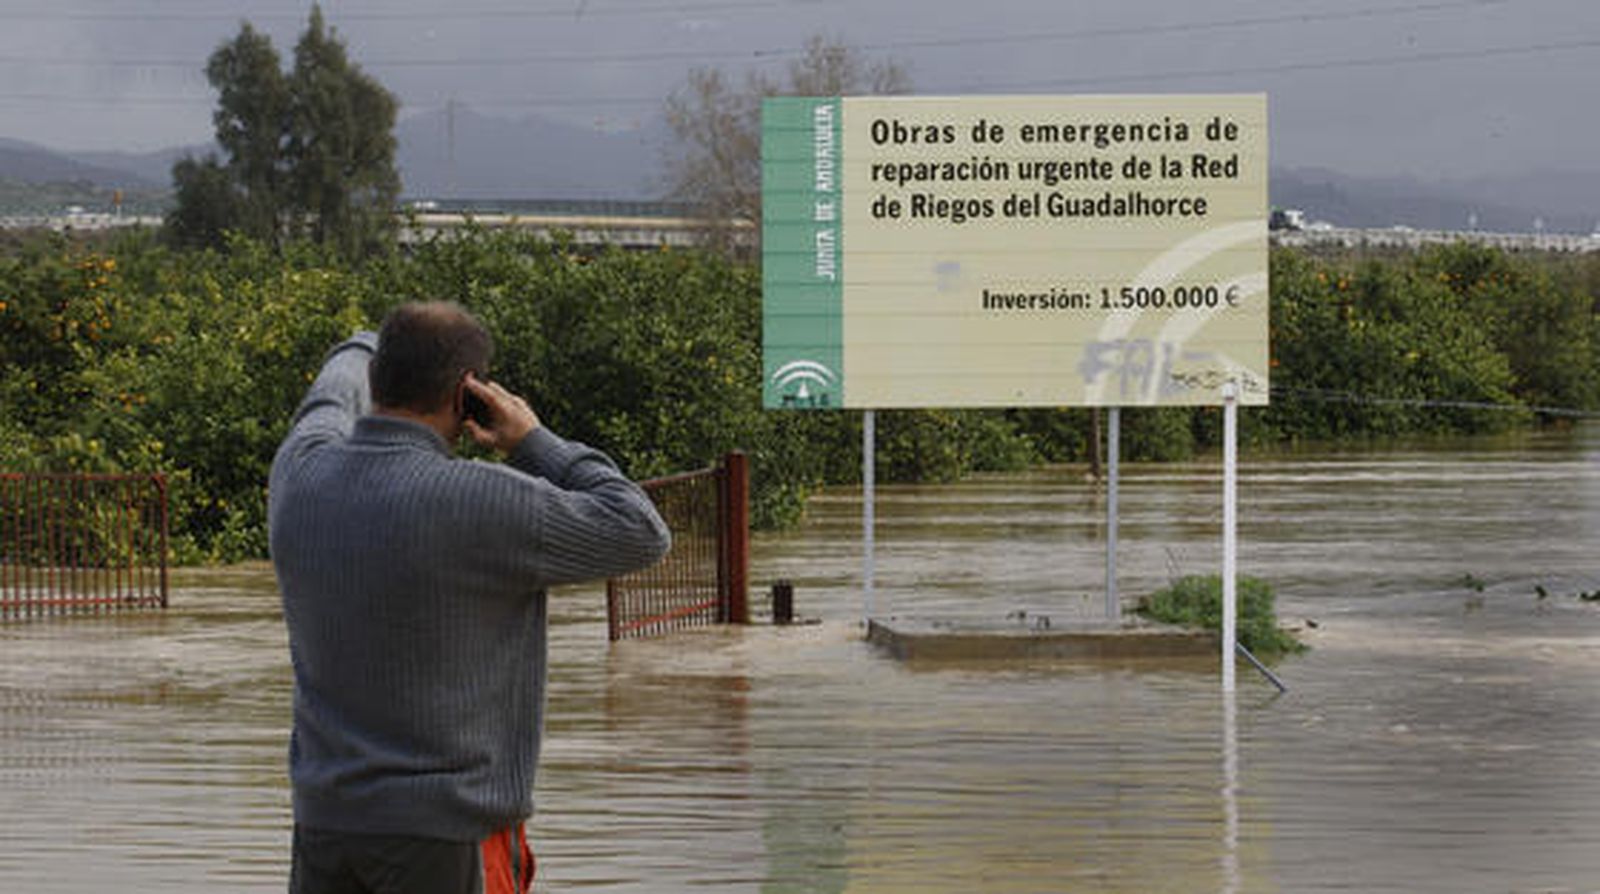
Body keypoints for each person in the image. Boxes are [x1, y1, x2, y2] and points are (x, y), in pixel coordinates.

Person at [268, 301, 671, 894]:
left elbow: (326, 400)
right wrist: (534, 441)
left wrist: (365, 342)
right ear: (468, 394)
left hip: (325, 830)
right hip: (445, 838)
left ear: (378, 377)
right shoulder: (488, 502)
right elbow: (641, 530)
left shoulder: (299, 475)